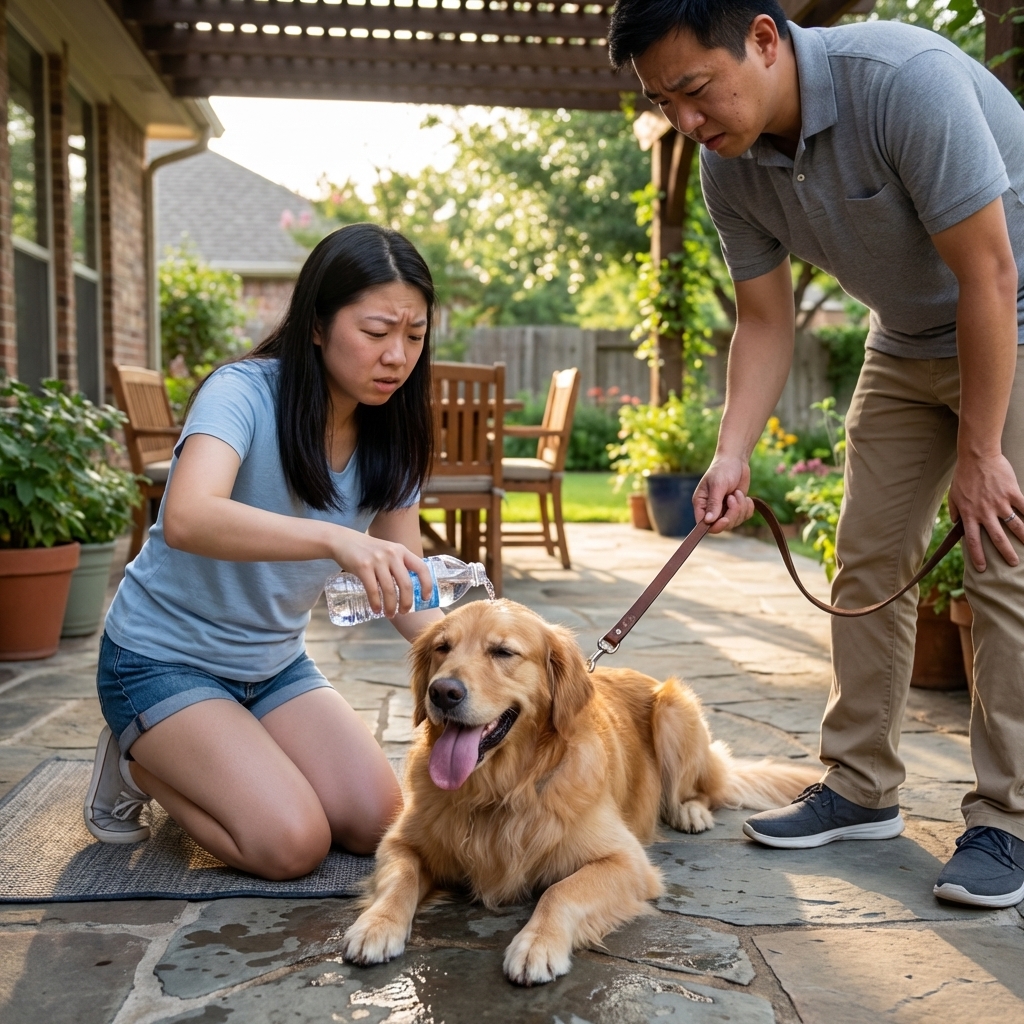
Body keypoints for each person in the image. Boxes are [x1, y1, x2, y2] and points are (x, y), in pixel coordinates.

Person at [608, 0, 1024, 907]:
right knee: (867, 556)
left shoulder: (901, 86)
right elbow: (764, 321)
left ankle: (1008, 821)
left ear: (762, 39)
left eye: (693, 89)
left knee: (1000, 564)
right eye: (661, 102)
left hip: (1013, 320)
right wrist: (729, 454)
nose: (685, 120)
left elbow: (992, 273)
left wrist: (983, 452)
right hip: (908, 342)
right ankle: (860, 788)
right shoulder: (728, 164)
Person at [84, 223, 443, 880]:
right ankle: (136, 760)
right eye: (376, 332)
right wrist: (338, 538)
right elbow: (190, 516)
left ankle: (216, 747)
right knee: (292, 844)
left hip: (273, 665)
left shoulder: (396, 432)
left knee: (376, 822)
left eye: (414, 336)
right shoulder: (243, 392)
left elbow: (405, 589)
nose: (397, 355)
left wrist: (489, 655)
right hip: (161, 659)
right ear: (316, 324)